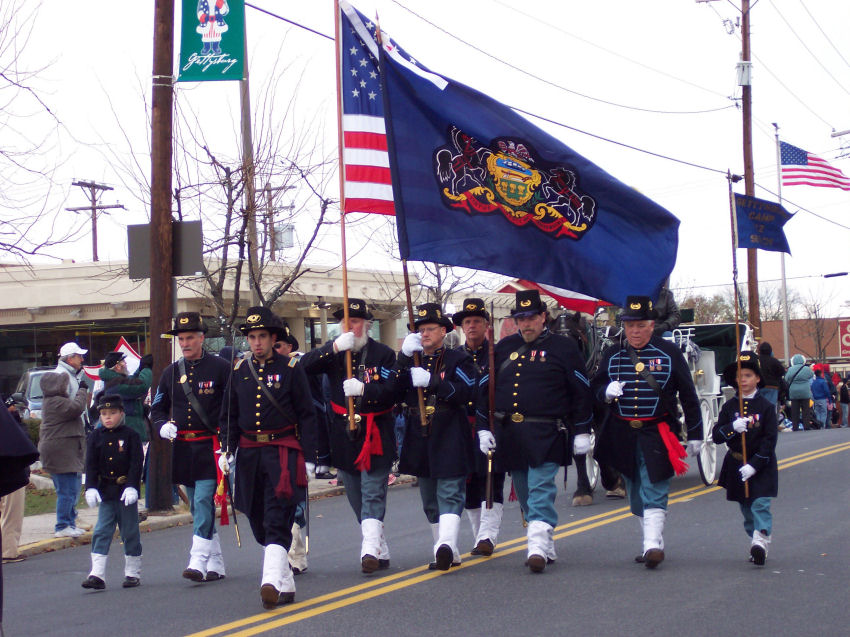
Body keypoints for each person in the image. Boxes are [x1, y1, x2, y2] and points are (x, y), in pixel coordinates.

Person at [478, 290, 593, 573]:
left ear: (543, 317)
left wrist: (582, 429)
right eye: (521, 319)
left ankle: (537, 547)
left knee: (541, 488)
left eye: (531, 318)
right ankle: (545, 541)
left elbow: (581, 391)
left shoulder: (564, 348)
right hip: (510, 433)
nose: (526, 324)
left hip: (547, 431)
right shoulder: (504, 347)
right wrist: (483, 428)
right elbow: (483, 390)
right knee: (525, 491)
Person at [591, 295, 703, 569]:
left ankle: (653, 545)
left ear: (652, 325)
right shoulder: (613, 354)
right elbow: (594, 390)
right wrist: (605, 392)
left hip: (658, 430)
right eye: (630, 326)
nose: (635, 331)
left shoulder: (669, 353)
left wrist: (696, 433)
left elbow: (688, 395)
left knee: (655, 486)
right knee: (635, 493)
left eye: (641, 325)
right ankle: (650, 541)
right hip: (623, 433)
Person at [219, 306, 317, 609]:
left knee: (277, 517)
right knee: (258, 520)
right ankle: (285, 581)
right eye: (252, 337)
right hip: (249, 455)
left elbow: (307, 414)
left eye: (262, 336)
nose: (257, 342)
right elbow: (229, 415)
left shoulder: (291, 368)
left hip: (281, 453)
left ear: (273, 338)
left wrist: (310, 457)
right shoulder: (239, 371)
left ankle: (271, 581)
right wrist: (226, 449)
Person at [300, 299, 398, 574]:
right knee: (355, 495)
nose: (350, 327)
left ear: (367, 325)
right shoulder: (334, 353)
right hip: (344, 434)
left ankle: (369, 549)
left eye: (355, 321)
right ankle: (379, 546)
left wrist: (366, 390)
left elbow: (393, 390)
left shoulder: (383, 354)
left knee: (372, 491)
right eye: (345, 322)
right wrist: (331, 348)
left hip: (375, 430)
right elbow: (302, 367)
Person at [151, 311, 232, 583]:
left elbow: (231, 409)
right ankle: (216, 562)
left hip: (210, 446)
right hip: (184, 448)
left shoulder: (220, 368)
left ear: (201, 338)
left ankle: (197, 560)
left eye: (190, 338)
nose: (185, 344)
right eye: (181, 339)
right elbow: (157, 407)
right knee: (197, 508)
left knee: (203, 501)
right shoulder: (171, 372)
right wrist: (161, 425)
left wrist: (227, 446)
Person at [395, 303, 476, 571]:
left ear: (443, 331)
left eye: (430, 328)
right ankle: (447, 549)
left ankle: (445, 544)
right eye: (420, 330)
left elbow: (468, 391)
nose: (425, 334)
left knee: (450, 491)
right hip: (420, 431)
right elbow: (392, 390)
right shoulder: (411, 359)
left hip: (449, 428)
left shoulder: (457, 359)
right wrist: (403, 359)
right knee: (429, 498)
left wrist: (434, 382)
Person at [712, 352, 778, 565]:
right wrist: (732, 427)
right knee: (747, 509)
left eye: (748, 375)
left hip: (761, 465)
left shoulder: (766, 407)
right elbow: (716, 436)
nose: (743, 380)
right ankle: (755, 539)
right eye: (739, 376)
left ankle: (761, 542)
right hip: (737, 463)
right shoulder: (729, 407)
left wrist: (755, 465)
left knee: (760, 504)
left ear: (757, 378)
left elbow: (770, 440)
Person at [452, 297, 505, 556]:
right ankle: (478, 535)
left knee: (491, 478)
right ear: (462, 327)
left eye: (477, 321)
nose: (472, 326)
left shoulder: (497, 354)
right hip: (464, 426)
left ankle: (488, 536)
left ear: (486, 325)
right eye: (467, 322)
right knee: (469, 482)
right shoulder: (455, 357)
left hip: (492, 425)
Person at [81, 393, 144, 590]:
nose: (108, 417)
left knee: (130, 531)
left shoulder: (131, 435)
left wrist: (132, 485)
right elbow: (91, 464)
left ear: (122, 413)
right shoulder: (95, 436)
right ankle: (97, 574)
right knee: (101, 531)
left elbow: (136, 463)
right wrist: (90, 487)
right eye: (104, 413)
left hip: (125, 492)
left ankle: (132, 572)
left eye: (113, 413)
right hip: (106, 492)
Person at [38, 370, 89, 537]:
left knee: (72, 489)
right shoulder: (55, 402)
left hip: (66, 452)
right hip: (60, 453)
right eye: (63, 383)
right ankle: (62, 525)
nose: (65, 386)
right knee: (66, 491)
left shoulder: (55, 401)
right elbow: (77, 408)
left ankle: (70, 523)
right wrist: (82, 390)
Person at [97, 351, 153, 443]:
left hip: (129, 430)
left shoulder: (115, 380)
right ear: (118, 366)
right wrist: (146, 369)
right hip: (128, 433)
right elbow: (141, 386)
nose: (126, 363)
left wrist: (140, 368)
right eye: (123, 361)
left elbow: (132, 380)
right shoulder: (117, 384)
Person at [1, 397, 29, 563]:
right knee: (12, 514)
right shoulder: (11, 426)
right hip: (12, 474)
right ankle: (8, 551)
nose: (18, 411)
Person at [784, 354, 813, 431]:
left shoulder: (790, 369)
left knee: (795, 411)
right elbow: (811, 375)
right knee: (806, 410)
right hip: (805, 392)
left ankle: (795, 426)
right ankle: (806, 426)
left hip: (794, 392)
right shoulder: (806, 369)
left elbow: (786, 379)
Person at [756, 342, 785, 412]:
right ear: (770, 350)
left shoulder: (756, 361)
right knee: (770, 407)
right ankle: (769, 417)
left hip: (758, 385)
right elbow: (782, 372)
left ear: (760, 351)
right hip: (772, 386)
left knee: (759, 406)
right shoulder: (774, 361)